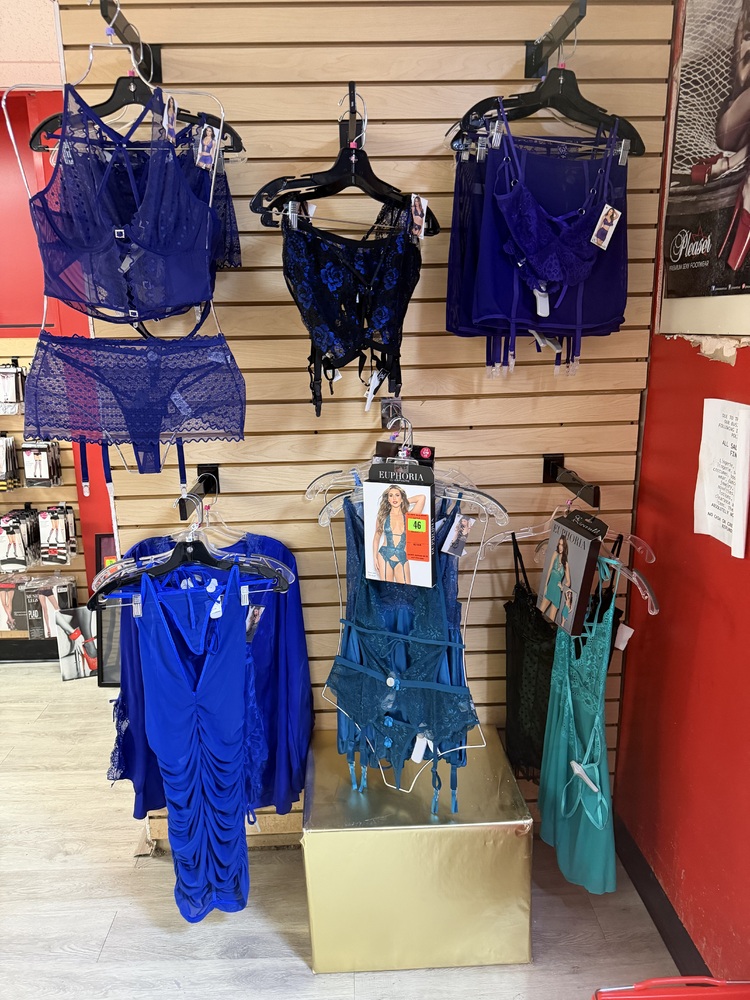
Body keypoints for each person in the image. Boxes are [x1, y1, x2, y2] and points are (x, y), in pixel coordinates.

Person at [372, 485, 426, 584]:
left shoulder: (409, 516)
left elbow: (422, 498)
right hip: (384, 555)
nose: (394, 498)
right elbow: (376, 538)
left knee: (406, 590)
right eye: (391, 496)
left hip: (402, 556)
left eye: (397, 495)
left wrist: (403, 501)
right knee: (387, 590)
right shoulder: (383, 517)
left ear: (402, 498)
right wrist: (375, 558)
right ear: (388, 499)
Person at [539, 535, 570, 622]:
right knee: (539, 612)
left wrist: (562, 587)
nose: (560, 547)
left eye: (562, 545)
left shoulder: (566, 563)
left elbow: (568, 582)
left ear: (565, 547)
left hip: (557, 592)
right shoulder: (555, 554)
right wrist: (546, 585)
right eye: (559, 544)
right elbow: (549, 570)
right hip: (550, 587)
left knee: (551, 618)